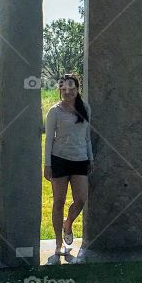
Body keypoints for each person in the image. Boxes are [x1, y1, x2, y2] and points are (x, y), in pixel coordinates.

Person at [43, 73, 93, 259]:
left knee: (81, 199)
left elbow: (87, 137)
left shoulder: (85, 108)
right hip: (59, 160)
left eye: (71, 88)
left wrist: (90, 158)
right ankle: (58, 242)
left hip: (80, 159)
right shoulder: (54, 111)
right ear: (59, 90)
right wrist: (47, 164)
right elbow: (48, 140)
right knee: (59, 202)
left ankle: (68, 223)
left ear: (77, 89)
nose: (67, 91)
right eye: (63, 88)